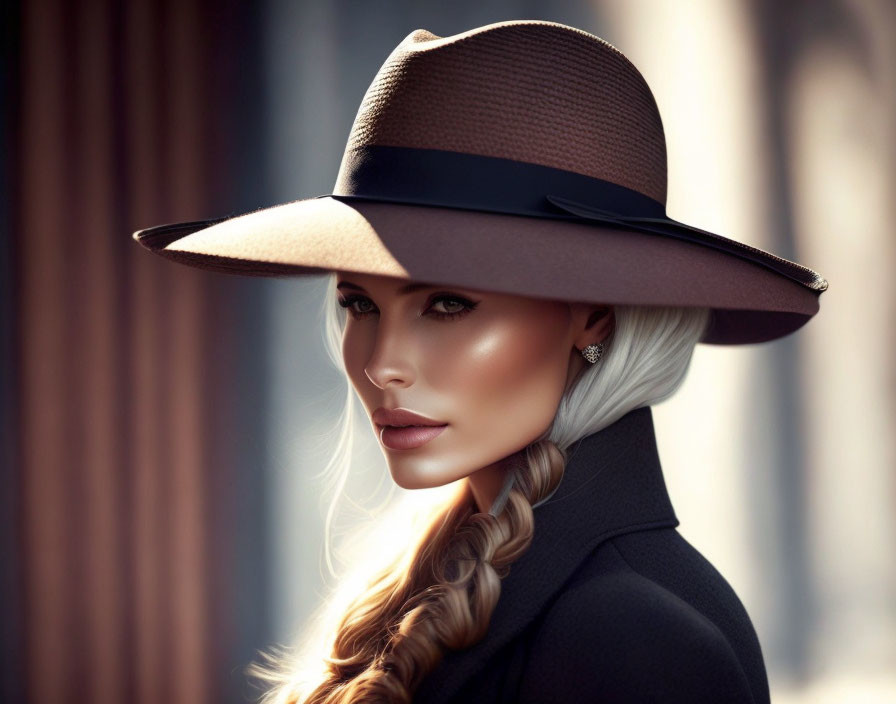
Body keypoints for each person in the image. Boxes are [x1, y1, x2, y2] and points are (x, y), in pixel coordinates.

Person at [133, 19, 827, 704]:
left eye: (446, 305)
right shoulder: (458, 576)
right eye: (359, 304)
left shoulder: (629, 637)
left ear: (593, 316)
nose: (381, 366)